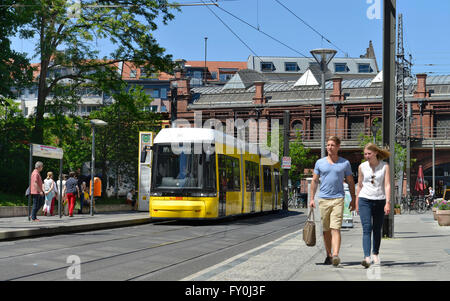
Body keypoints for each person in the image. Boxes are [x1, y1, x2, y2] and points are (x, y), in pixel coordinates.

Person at [309, 136, 356, 267]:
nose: (329, 147)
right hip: (323, 199)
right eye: (328, 145)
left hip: (338, 199)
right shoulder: (320, 163)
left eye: (332, 145)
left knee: (335, 228)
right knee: (326, 230)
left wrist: (353, 198)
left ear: (338, 147)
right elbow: (314, 181)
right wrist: (312, 198)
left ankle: (335, 255)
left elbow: (351, 181)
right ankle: (329, 255)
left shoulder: (344, 163)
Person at [355, 143, 391, 268]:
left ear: (375, 153)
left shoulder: (385, 166)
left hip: (380, 200)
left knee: (377, 229)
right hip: (365, 199)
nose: (367, 156)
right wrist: (356, 201)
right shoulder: (362, 167)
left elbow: (387, 185)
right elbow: (359, 185)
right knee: (367, 227)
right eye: (365, 154)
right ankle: (367, 256)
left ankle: (375, 253)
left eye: (369, 154)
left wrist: (388, 202)